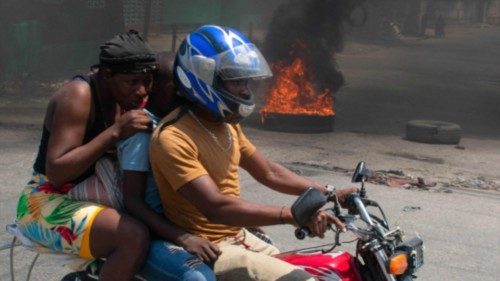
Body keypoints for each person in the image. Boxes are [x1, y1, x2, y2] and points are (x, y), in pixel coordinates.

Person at [149, 25, 357, 280]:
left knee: (328, 271)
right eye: (236, 81)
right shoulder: (173, 137)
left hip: (240, 236)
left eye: (245, 81)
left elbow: (269, 172)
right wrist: (290, 215)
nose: (245, 90)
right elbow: (217, 206)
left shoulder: (225, 124)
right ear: (204, 76)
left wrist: (329, 193)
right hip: (212, 247)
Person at [16, 30, 156, 281]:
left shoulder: (122, 96)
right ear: (106, 74)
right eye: (131, 82)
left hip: (90, 193)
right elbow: (56, 172)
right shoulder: (79, 95)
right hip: (45, 202)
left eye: (147, 81)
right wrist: (114, 132)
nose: (142, 91)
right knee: (132, 237)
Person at [117, 51, 218, 281]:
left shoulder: (181, 124)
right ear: (154, 86)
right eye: (176, 87)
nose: (185, 95)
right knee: (198, 279)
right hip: (155, 233)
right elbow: (132, 201)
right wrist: (183, 238)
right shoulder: (143, 132)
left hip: (187, 222)